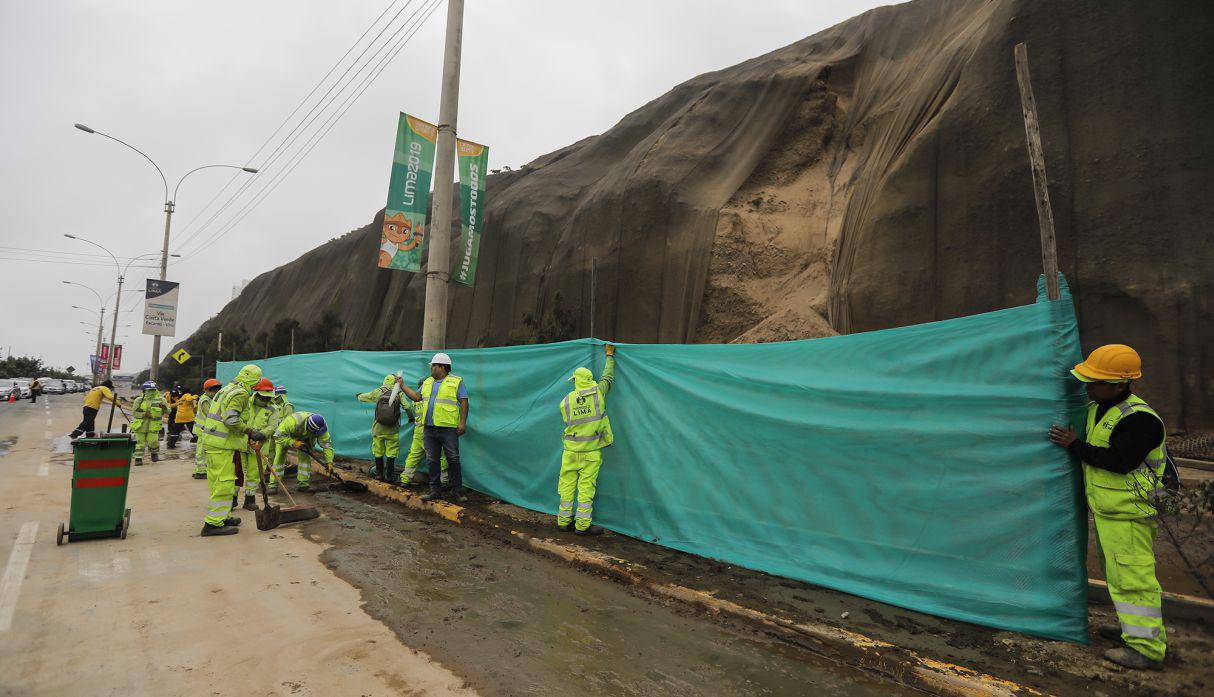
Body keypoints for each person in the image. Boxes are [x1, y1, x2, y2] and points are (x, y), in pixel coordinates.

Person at [1049, 344, 1167, 670]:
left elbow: (1118, 462)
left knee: (1133, 579)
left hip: (1130, 514)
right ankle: (1132, 631)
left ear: (1119, 384)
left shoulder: (1141, 420)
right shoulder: (1097, 408)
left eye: (1096, 381)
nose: (1088, 386)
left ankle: (1146, 648)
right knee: (1117, 576)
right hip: (1108, 511)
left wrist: (1074, 445)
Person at [196, 364, 266, 537]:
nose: (257, 383)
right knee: (224, 483)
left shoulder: (227, 389)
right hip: (221, 445)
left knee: (217, 482)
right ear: (252, 378)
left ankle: (223, 516)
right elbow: (230, 420)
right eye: (257, 379)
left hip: (214, 443)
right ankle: (212, 524)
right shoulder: (240, 393)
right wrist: (250, 431)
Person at [556, 344, 616, 535]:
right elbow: (608, 377)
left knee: (566, 487)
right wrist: (609, 356)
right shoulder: (599, 393)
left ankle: (563, 522)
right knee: (585, 489)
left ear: (576, 381)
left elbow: (567, 421)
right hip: (590, 452)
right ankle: (582, 527)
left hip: (570, 452)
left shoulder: (565, 401)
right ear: (589, 380)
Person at [399, 353, 468, 503]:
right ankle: (434, 490)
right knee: (432, 460)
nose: (431, 368)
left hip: (448, 428)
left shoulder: (456, 382)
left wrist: (462, 423)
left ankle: (457, 491)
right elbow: (417, 397)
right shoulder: (428, 382)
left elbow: (464, 402)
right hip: (429, 428)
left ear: (441, 367)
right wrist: (403, 386)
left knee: (453, 459)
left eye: (433, 366)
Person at [238, 378, 279, 511]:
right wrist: (248, 434)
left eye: (268, 398)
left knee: (254, 474)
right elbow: (238, 421)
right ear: (256, 394)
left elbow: (272, 426)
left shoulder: (273, 409)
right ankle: (232, 499)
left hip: (260, 446)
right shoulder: (245, 404)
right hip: (240, 443)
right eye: (263, 397)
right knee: (236, 472)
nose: (266, 400)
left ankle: (250, 500)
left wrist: (261, 435)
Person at [399, 377, 447, 488]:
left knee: (414, 456)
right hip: (430, 432)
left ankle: (405, 479)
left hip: (418, 433)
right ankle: (443, 481)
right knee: (440, 456)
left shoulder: (415, 400)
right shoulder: (431, 398)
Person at [270, 412, 333, 494]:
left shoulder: (321, 426)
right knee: (279, 459)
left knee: (305, 460)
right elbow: (277, 436)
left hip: (306, 438)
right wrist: (293, 442)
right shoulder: (292, 422)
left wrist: (329, 462)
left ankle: (303, 485)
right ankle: (273, 485)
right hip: (286, 436)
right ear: (309, 428)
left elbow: (327, 445)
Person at [356, 374, 404, 483]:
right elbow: (407, 407)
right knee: (392, 451)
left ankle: (378, 474)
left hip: (378, 428)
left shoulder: (379, 391)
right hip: (393, 429)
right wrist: (411, 417)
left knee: (378, 450)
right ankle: (390, 476)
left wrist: (359, 396)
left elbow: (366, 396)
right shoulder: (399, 393)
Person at [130, 381, 167, 466]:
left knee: (153, 441)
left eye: (153, 390)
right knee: (139, 443)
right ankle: (138, 458)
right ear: (144, 390)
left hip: (154, 426)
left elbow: (169, 411)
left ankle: (154, 453)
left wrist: (164, 408)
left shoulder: (161, 400)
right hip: (140, 426)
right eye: (149, 390)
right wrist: (144, 414)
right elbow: (134, 413)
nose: (151, 392)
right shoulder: (139, 400)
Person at [193, 378, 221, 479]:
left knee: (204, 450)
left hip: (206, 429)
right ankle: (200, 471)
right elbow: (210, 414)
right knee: (201, 450)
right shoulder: (205, 400)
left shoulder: (211, 399)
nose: (216, 392)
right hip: (202, 429)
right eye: (214, 390)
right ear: (207, 390)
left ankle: (199, 469)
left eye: (217, 390)